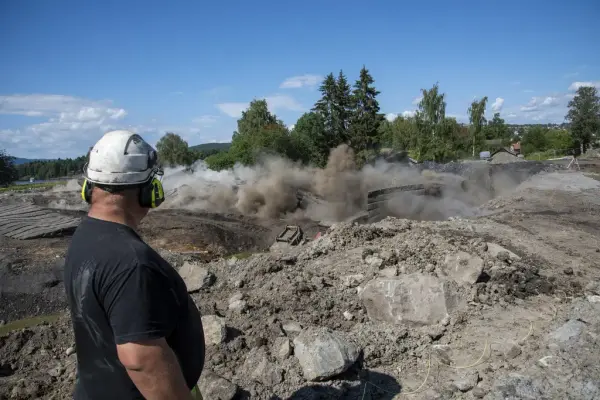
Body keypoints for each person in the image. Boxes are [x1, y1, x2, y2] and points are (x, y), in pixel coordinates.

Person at [63, 130, 205, 399]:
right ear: (147, 191)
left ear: (89, 187)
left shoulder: (85, 236)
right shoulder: (132, 263)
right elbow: (142, 361)